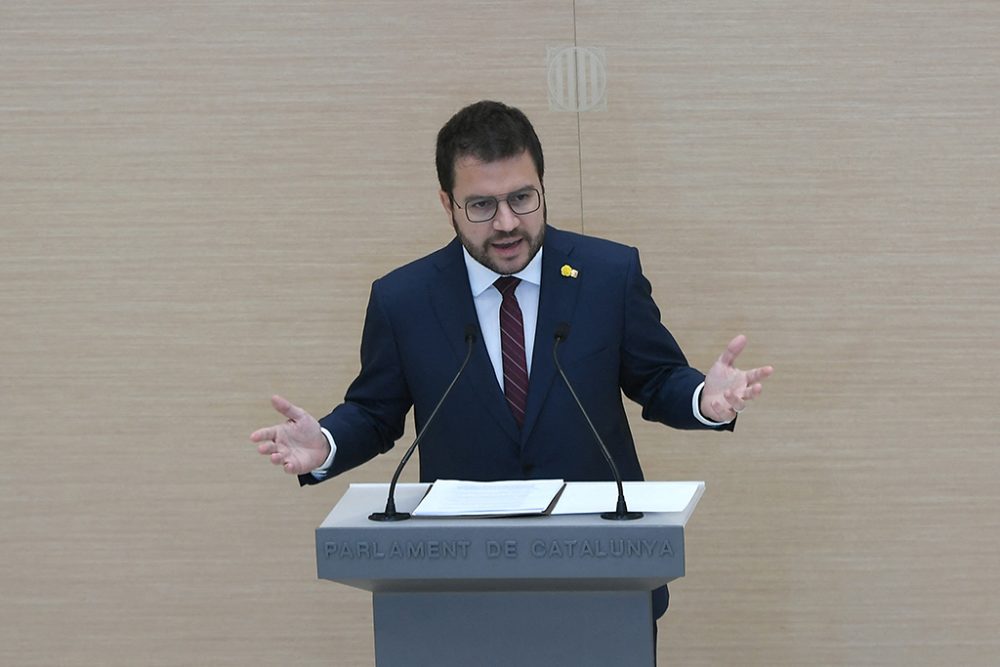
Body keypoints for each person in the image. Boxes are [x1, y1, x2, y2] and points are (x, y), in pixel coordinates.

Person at [250, 99, 773, 620]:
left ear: (543, 187)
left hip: (601, 576)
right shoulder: (404, 299)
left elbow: (657, 379)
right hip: (457, 584)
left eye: (522, 198)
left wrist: (706, 398)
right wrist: (328, 443)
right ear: (447, 203)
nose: (505, 223)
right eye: (481, 205)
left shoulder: (607, 275)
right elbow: (375, 411)